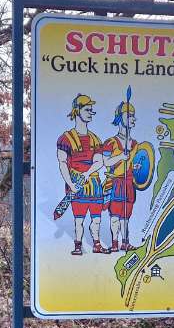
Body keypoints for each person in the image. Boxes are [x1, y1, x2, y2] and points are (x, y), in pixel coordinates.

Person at [56, 93, 109, 255]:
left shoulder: (95, 139)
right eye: (87, 109)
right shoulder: (65, 138)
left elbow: (99, 162)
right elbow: (62, 163)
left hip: (94, 185)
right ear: (77, 110)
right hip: (76, 186)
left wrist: (88, 173)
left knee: (96, 219)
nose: (91, 113)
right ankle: (78, 246)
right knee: (79, 219)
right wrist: (71, 184)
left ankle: (97, 244)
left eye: (92, 110)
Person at [101, 100, 140, 252]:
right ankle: (115, 243)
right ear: (120, 117)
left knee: (126, 216)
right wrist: (120, 158)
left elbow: (134, 162)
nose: (133, 118)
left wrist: (134, 166)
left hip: (129, 183)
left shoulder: (135, 144)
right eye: (129, 115)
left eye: (133, 116)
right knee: (115, 215)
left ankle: (125, 242)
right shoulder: (111, 142)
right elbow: (106, 162)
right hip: (116, 183)